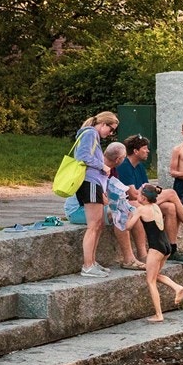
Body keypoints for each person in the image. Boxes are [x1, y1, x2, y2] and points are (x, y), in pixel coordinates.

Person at [126, 184, 183, 321]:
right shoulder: (156, 206)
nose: (137, 196)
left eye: (139, 194)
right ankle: (176, 287)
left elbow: (128, 227)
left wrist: (129, 215)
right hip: (167, 247)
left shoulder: (141, 209)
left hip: (156, 248)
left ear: (144, 198)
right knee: (155, 275)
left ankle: (159, 315)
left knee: (150, 281)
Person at [73, 111, 120, 277]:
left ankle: (92, 262)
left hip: (95, 183)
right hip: (90, 182)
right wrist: (103, 166)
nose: (111, 133)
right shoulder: (91, 133)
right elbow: (83, 157)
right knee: (93, 225)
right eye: (111, 129)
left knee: (98, 224)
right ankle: (87, 266)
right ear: (103, 124)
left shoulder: (92, 135)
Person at [104, 143, 147, 271]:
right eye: (123, 158)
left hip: (103, 204)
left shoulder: (113, 170)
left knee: (133, 209)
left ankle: (142, 254)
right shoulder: (100, 169)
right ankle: (128, 259)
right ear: (118, 159)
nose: (124, 160)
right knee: (123, 212)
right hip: (82, 209)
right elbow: (101, 198)